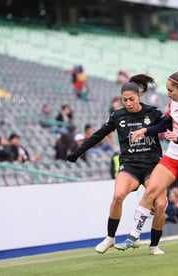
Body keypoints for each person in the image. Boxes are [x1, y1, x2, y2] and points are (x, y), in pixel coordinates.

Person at [114, 69, 178, 251]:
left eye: (171, 91)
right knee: (151, 192)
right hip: (172, 156)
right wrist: (144, 130)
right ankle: (133, 237)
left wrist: (177, 138)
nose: (168, 94)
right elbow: (165, 124)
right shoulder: (174, 103)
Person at [66, 74, 167, 255]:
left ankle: (154, 246)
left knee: (160, 205)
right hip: (130, 165)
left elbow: (170, 126)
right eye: (124, 100)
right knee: (118, 195)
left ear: (139, 96)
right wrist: (78, 152)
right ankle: (110, 238)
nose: (128, 103)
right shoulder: (117, 116)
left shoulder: (153, 113)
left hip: (153, 166)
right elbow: (98, 135)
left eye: (131, 99)